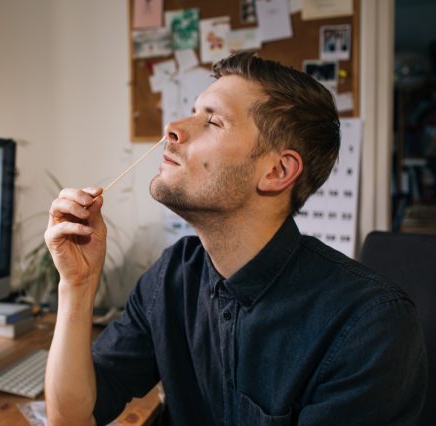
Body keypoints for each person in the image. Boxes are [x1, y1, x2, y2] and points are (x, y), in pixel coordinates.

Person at [44, 52, 427, 425]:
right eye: (194, 111)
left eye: (213, 121)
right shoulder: (172, 276)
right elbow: (74, 416)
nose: (172, 129)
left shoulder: (370, 326)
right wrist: (77, 284)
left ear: (277, 171)